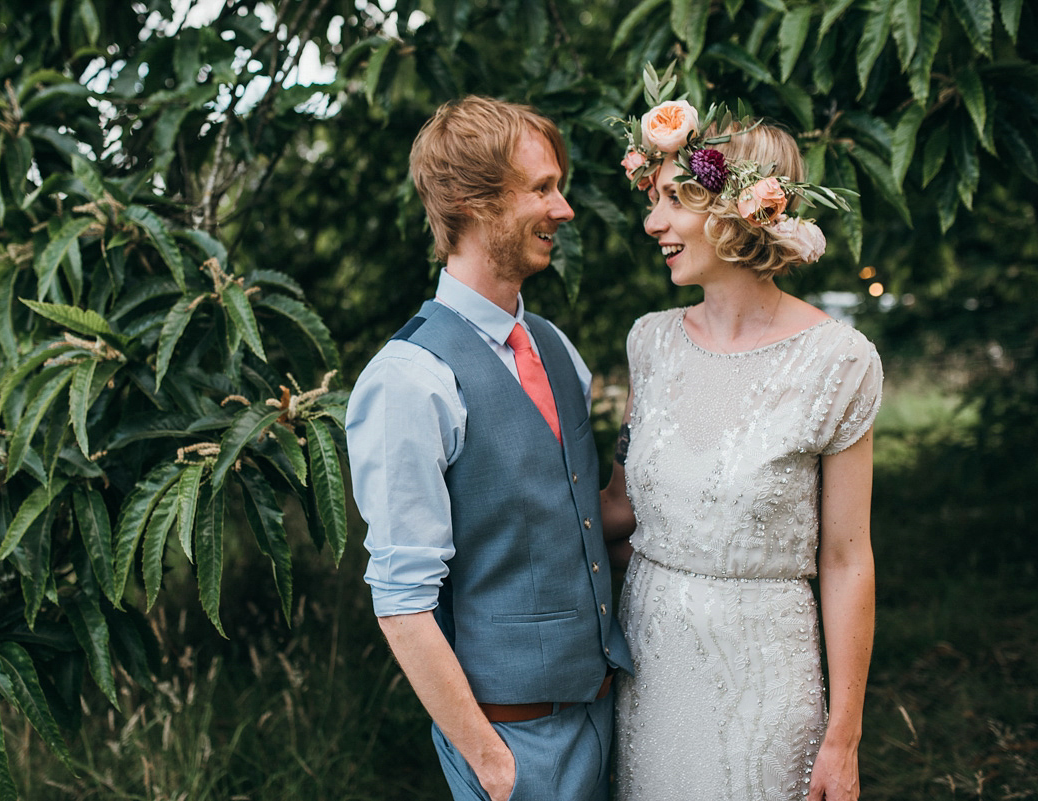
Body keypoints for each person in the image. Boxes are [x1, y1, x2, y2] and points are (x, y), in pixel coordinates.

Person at [601, 82, 882, 801]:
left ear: (732, 208)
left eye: (671, 199)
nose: (651, 221)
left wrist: (843, 738)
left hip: (767, 679)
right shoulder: (650, 343)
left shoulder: (839, 361)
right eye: (650, 197)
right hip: (651, 671)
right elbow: (621, 509)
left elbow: (848, 559)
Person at [346, 95, 631, 801]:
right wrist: (491, 762)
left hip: (607, 716)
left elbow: (576, 521)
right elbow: (401, 599)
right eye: (542, 188)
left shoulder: (557, 349)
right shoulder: (408, 380)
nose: (564, 209)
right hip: (513, 742)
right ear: (470, 202)